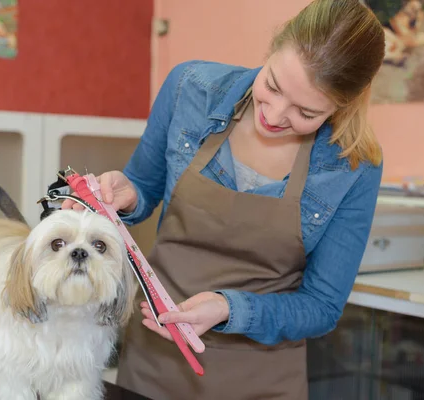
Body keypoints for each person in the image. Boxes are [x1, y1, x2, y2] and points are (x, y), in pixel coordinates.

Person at [62, 0, 385, 398]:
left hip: (262, 379)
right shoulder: (190, 90)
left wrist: (230, 309)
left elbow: (321, 306)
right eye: (273, 85)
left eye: (305, 111)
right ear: (270, 50)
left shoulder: (353, 166)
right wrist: (125, 195)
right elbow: (142, 186)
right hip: (156, 363)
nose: (275, 114)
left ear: (343, 105)